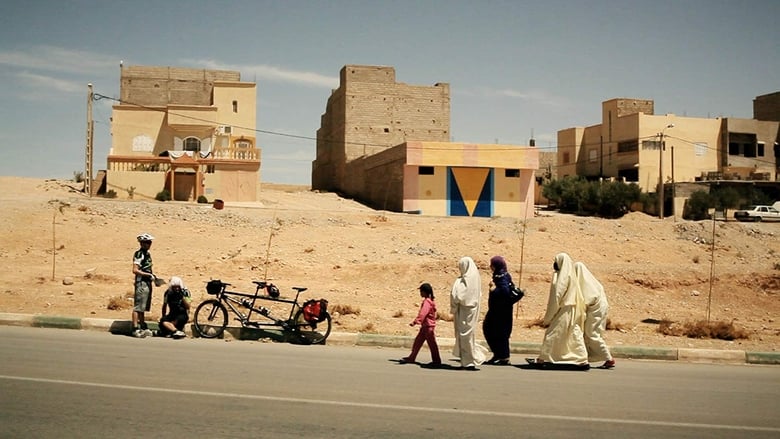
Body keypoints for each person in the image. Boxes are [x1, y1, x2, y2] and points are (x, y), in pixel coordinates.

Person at [533, 252, 589, 369]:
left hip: (564, 309)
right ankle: (582, 359)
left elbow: (556, 297)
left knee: (553, 333)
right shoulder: (571, 275)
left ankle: (542, 359)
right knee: (573, 333)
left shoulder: (561, 277)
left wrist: (549, 316)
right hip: (573, 309)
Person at [574, 261, 615, 369]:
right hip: (598, 309)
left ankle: (609, 358)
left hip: (596, 311)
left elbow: (587, 301)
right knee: (590, 334)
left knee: (592, 334)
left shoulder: (586, 285)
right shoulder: (590, 281)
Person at [450, 256, 488, 370]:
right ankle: (467, 360)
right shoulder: (474, 279)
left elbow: (459, 296)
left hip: (465, 312)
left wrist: (456, 285)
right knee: (468, 336)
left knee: (465, 336)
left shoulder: (464, 281)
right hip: (470, 311)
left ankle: (469, 361)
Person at [483, 256, 519, 365]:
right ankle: (498, 354)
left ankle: (504, 357)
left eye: (492, 265)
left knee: (499, 333)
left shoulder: (502, 277)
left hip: (501, 312)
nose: (490, 267)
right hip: (496, 311)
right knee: (491, 331)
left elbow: (505, 292)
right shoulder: (499, 275)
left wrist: (493, 289)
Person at [399, 283, 441, 366]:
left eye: (421, 291)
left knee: (432, 345)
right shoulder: (430, 301)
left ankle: (436, 361)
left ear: (425, 292)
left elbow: (423, 313)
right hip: (425, 327)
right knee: (418, 342)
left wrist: (416, 321)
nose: (420, 293)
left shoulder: (427, 302)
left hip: (428, 327)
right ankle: (412, 357)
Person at [131, 233, 156, 338]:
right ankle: (135, 328)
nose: (149, 244)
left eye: (150, 242)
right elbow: (135, 270)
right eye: (147, 242)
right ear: (142, 243)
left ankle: (143, 325)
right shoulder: (139, 254)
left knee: (143, 306)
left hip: (147, 282)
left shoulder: (147, 254)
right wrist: (148, 274)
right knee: (138, 307)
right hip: (141, 282)